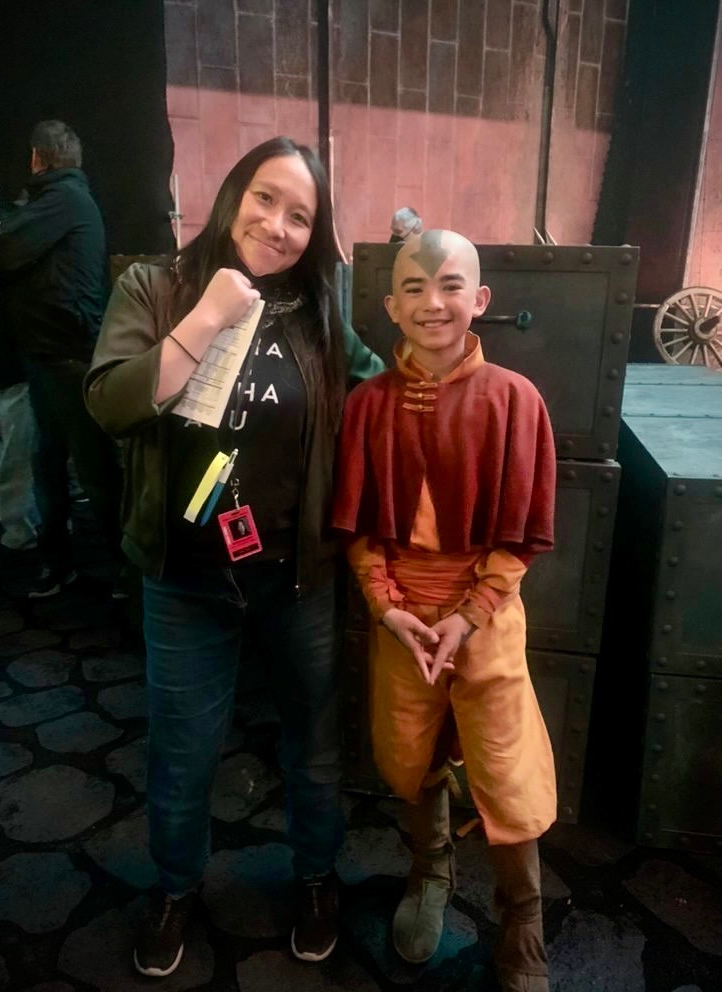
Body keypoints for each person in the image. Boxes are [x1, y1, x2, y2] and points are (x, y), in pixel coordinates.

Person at [84, 136, 384, 978]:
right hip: (185, 578)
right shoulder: (156, 285)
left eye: (301, 216)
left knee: (314, 747)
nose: (278, 226)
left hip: (298, 577)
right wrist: (208, 315)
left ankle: (316, 878)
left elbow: (376, 384)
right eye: (265, 199)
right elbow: (110, 402)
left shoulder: (319, 307)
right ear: (230, 195)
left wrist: (458, 366)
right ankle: (177, 889)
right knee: (183, 750)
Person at [333, 230, 557, 991]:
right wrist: (387, 607)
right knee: (410, 751)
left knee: (503, 764)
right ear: (391, 306)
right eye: (416, 288)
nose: (434, 302)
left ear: (480, 300)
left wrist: (470, 612)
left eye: (451, 285)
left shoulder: (515, 401)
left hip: (484, 614)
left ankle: (522, 918)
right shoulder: (367, 406)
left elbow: (520, 536)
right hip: (400, 615)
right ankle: (429, 874)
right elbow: (360, 530)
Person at [0, 121, 124, 597]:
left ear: (39, 158)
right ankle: (62, 565)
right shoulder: (61, 202)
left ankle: (128, 574)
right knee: (55, 466)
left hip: (69, 359)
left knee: (93, 472)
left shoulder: (63, 201)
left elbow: (4, 252)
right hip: (51, 358)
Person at [0, 183, 38, 550]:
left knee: (18, 455)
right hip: (5, 367)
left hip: (17, 367)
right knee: (14, 450)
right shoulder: (0, 251)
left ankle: (22, 530)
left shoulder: (9, 252)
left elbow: (21, 311)